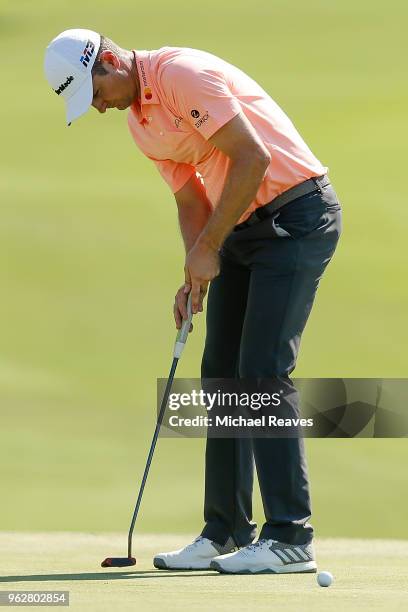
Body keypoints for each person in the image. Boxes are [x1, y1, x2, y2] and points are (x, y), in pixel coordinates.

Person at [44, 29, 342, 575]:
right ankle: (226, 528)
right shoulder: (141, 124)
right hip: (241, 225)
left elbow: (251, 158)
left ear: (109, 61)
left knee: (262, 371)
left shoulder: (181, 75)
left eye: (97, 94)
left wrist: (209, 247)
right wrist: (194, 269)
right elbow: (190, 198)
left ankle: (290, 536)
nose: (102, 109)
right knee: (220, 371)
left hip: (296, 216)